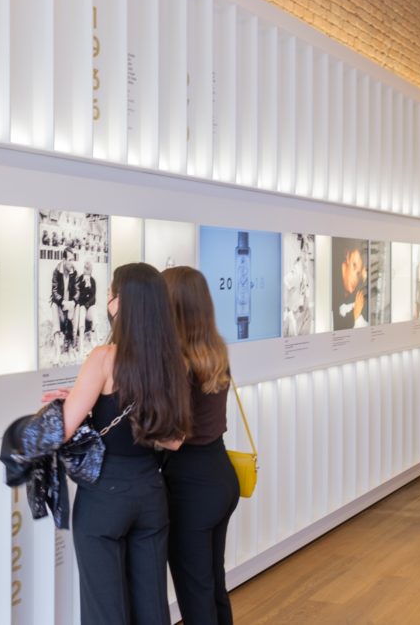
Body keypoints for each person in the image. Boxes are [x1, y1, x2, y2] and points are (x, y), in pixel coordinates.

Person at [44, 262, 192, 625]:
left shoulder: (104, 358)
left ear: (120, 302)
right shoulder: (174, 362)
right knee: (152, 607)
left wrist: (64, 405)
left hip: (104, 497)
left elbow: (61, 431)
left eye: (111, 293)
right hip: (151, 492)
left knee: (105, 611)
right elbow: (174, 441)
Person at [160, 266, 241, 625]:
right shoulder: (214, 349)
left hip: (190, 485)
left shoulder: (178, 362)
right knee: (212, 584)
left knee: (195, 594)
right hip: (220, 475)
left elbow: (173, 438)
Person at [333, 240, 368, 330]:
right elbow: (337, 325)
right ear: (347, 256)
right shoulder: (333, 281)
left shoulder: (354, 287)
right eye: (354, 265)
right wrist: (354, 314)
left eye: (358, 273)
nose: (354, 278)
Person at [76, 260, 97, 346]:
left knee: (94, 310)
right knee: (82, 311)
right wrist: (84, 285)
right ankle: (81, 341)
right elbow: (78, 295)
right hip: (82, 305)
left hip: (90, 305)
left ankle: (93, 335)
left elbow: (93, 297)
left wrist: (88, 303)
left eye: (88, 269)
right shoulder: (80, 279)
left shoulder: (92, 281)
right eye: (85, 268)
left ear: (91, 271)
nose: (87, 271)